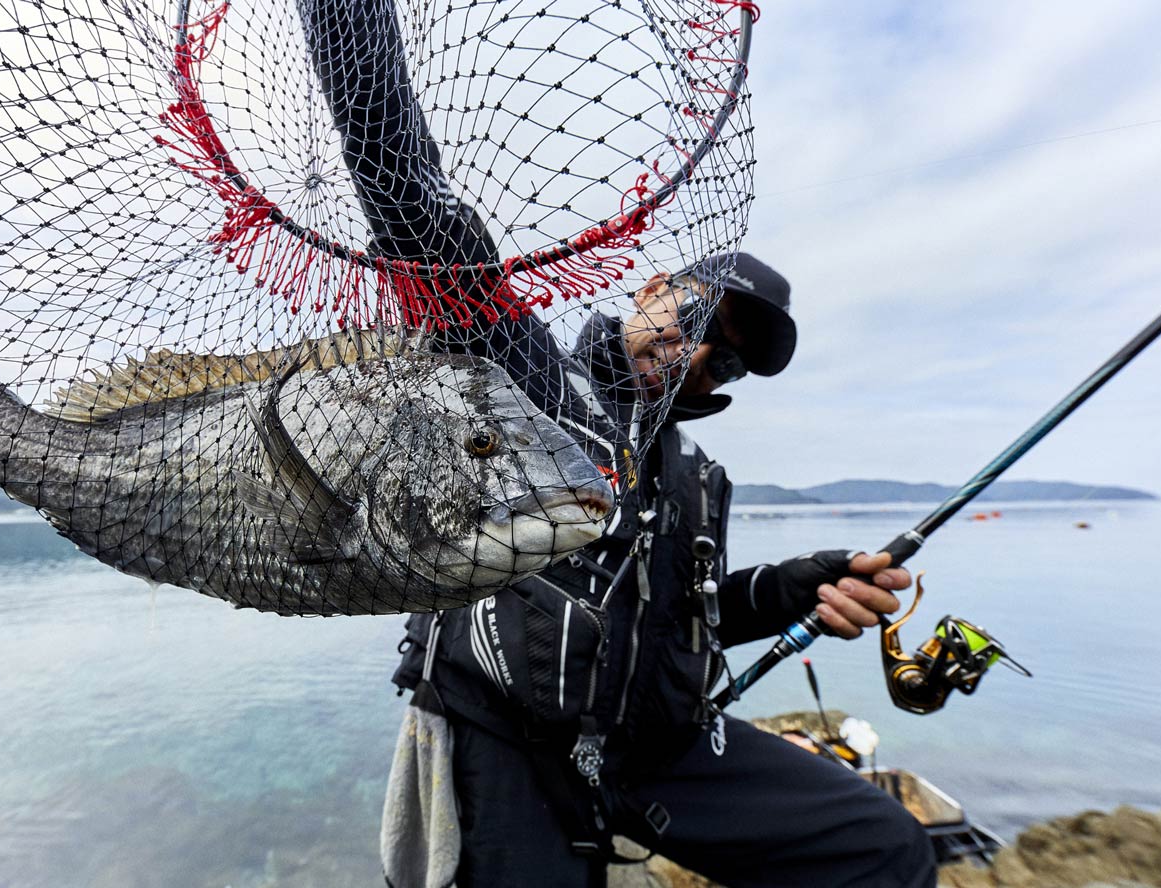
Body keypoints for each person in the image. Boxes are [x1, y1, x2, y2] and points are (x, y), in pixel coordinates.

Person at [292, 3, 936, 885]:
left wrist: (792, 587)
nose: (706, 357)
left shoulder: (696, 474)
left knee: (887, 848)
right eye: (705, 319)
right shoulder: (525, 373)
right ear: (657, 287)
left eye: (736, 365)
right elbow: (415, 206)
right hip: (511, 742)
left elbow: (682, 619)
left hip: (657, 752)